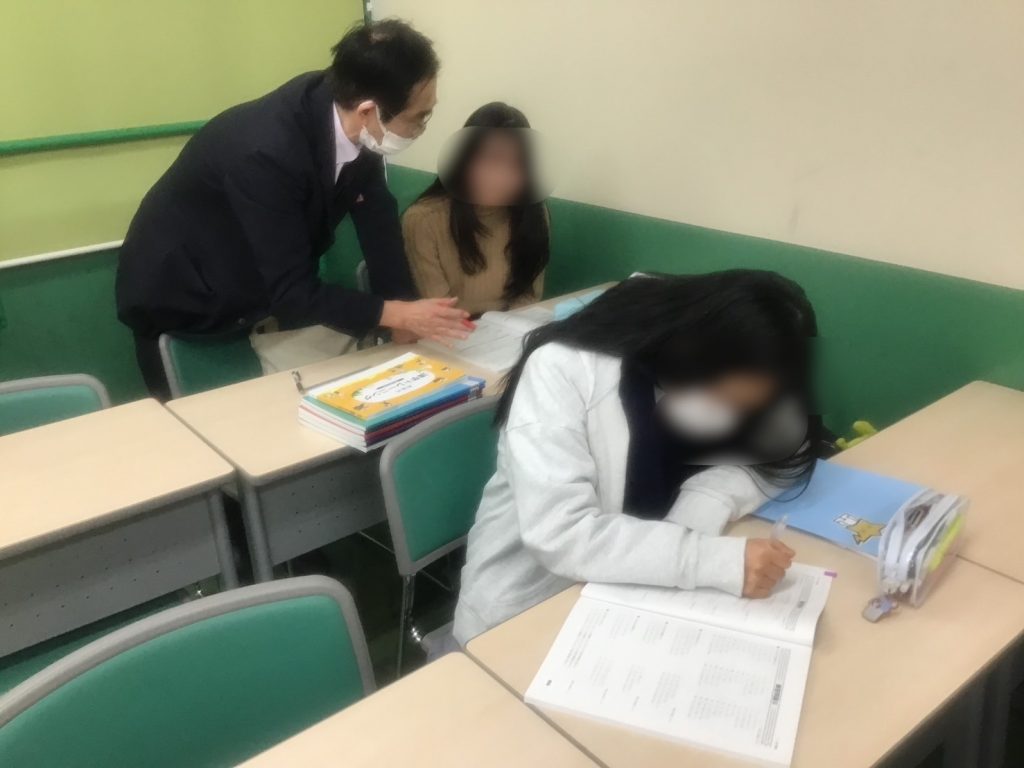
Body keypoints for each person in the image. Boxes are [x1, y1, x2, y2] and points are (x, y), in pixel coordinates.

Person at [452, 270, 822, 646]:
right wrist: (713, 559)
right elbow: (562, 534)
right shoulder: (564, 369)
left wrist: (705, 501)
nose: (728, 414)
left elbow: (788, 447)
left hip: (634, 600)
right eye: (726, 399)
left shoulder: (725, 380)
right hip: (533, 606)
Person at [116, 19, 470, 399]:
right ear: (369, 111)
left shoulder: (351, 113)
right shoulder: (267, 153)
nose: (421, 126)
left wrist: (405, 313)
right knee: (215, 424)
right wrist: (394, 314)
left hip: (248, 286)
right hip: (183, 295)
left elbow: (378, 219)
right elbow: (293, 293)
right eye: (419, 118)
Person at [402, 102, 549, 316]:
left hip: (508, 329)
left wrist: (510, 328)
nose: (502, 177)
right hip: (449, 328)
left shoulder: (533, 213)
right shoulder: (424, 219)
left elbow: (528, 296)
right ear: (464, 161)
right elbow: (440, 311)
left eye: (516, 164)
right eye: (491, 160)